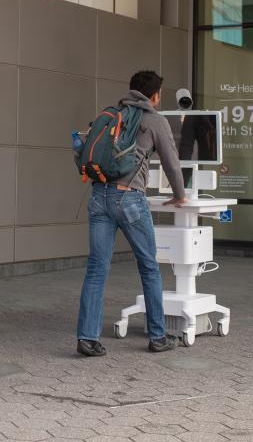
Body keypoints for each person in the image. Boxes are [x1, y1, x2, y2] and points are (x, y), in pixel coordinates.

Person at [76, 70, 187, 356]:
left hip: (99, 196)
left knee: (96, 268)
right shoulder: (155, 120)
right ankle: (158, 336)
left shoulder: (113, 114)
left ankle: (87, 338)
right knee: (149, 267)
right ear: (155, 96)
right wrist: (179, 195)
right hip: (129, 199)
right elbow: (172, 164)